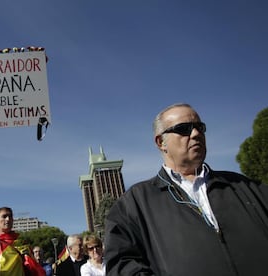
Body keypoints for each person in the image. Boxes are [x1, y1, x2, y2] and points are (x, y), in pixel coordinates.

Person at [104, 103, 268, 276]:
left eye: (200, 127)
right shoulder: (133, 204)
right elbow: (121, 266)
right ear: (161, 142)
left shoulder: (247, 187)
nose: (196, 134)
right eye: (184, 129)